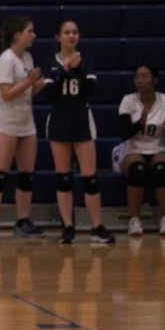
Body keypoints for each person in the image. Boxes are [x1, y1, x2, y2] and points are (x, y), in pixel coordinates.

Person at [41, 20, 113, 244]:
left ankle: (97, 227)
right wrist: (65, 69)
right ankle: (68, 227)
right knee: (63, 178)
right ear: (58, 37)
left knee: (90, 178)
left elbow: (90, 91)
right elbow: (50, 95)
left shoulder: (87, 60)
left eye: (74, 32)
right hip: (59, 123)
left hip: (82, 121)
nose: (71, 36)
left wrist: (78, 70)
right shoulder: (49, 63)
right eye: (66, 32)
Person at [0, 14, 45, 240]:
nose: (33, 36)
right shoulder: (6, 59)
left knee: (27, 175)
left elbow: (26, 93)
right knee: (0, 174)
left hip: (26, 123)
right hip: (6, 123)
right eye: (29, 31)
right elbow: (7, 94)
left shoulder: (26, 57)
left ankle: (22, 221)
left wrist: (39, 85)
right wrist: (29, 82)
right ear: (18, 34)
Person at [118, 64, 165, 237]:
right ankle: (134, 220)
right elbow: (124, 134)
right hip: (134, 149)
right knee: (138, 170)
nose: (140, 80)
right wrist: (139, 124)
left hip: (159, 148)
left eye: (145, 76)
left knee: (161, 170)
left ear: (155, 80)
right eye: (137, 77)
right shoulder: (128, 101)